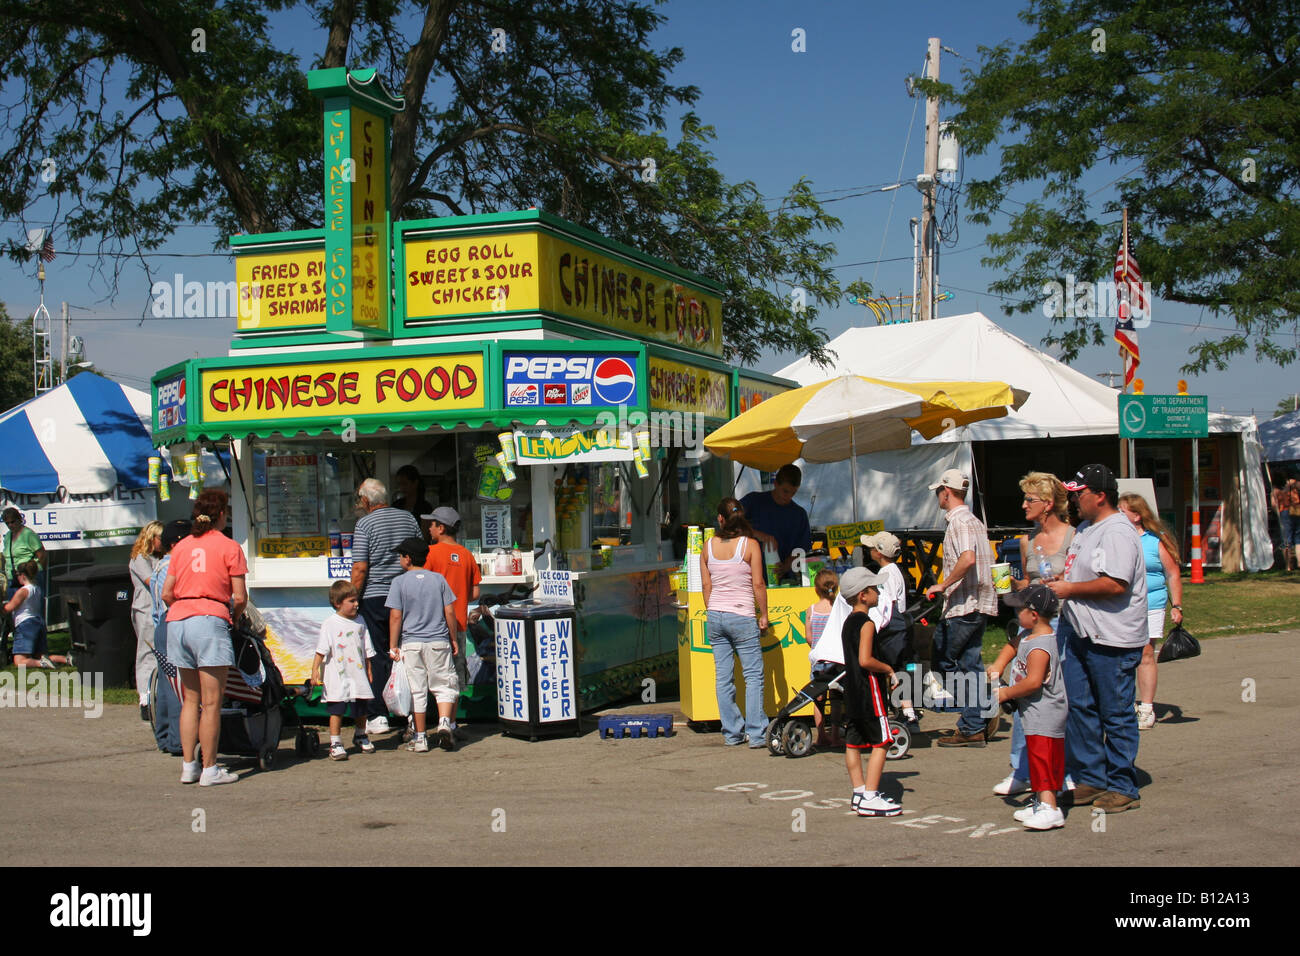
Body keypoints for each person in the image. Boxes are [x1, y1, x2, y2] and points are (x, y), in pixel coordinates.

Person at [1047, 464, 1147, 814]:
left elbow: (1115, 583)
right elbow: (1084, 572)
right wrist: (1063, 579)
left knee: (1115, 713)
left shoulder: (1118, 531)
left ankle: (1122, 785)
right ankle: (1091, 777)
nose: (1074, 500)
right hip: (1080, 632)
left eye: (1080, 493)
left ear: (1100, 495)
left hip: (1112, 638)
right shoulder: (1087, 529)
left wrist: (1070, 588)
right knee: (1079, 708)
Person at [162, 489, 247, 787]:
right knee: (212, 702)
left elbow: (166, 593)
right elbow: (239, 597)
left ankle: (189, 765)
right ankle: (210, 768)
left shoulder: (182, 546)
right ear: (221, 514)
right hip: (209, 618)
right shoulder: (229, 546)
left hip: (178, 620)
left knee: (190, 699)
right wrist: (232, 618)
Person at [997, 472, 1074, 795]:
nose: (1024, 504)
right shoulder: (1029, 538)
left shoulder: (1073, 536)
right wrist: (1015, 587)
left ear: (1049, 504)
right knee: (1024, 696)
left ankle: (1062, 770)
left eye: (1030, 499)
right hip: (1031, 624)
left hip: (1062, 624)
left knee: (1056, 701)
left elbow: (1077, 582)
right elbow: (1031, 584)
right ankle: (1021, 768)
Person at [924, 469, 998, 747]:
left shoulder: (960, 522)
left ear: (946, 492)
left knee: (943, 662)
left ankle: (976, 715)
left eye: (938, 492)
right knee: (970, 664)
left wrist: (943, 585)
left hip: (963, 604)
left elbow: (967, 559)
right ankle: (974, 722)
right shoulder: (976, 522)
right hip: (978, 602)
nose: (937, 497)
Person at [988, 583, 1068, 831]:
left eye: (1019, 609)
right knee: (1035, 757)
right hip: (1034, 712)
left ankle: (1050, 808)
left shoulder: (1041, 646)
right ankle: (1041, 802)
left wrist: (1006, 693)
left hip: (1046, 712)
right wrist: (999, 665)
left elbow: (1033, 682)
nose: (1016, 613)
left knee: (1043, 759)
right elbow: (1012, 646)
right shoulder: (1027, 635)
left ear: (1033, 615)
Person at [350, 478, 421, 734]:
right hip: (408, 593)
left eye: (360, 499)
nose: (359, 504)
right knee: (408, 652)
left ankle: (379, 714)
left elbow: (360, 568)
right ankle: (412, 713)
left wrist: (353, 598)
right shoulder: (409, 519)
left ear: (367, 500)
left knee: (379, 656)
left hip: (376, 597)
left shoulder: (365, 524)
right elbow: (421, 553)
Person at [699, 496, 769, 748]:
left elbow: (706, 585)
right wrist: (764, 614)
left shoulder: (707, 546)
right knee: (752, 676)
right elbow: (758, 584)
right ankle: (757, 733)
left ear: (720, 518)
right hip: (742, 614)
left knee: (723, 677)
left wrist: (713, 609)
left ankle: (731, 732)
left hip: (716, 614)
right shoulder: (750, 545)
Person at [838, 566, 902, 817]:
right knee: (882, 741)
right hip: (869, 690)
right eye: (874, 588)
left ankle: (859, 791)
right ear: (863, 595)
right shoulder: (866, 623)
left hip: (852, 691)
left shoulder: (847, 623)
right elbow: (866, 659)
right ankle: (871, 796)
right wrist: (887, 669)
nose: (878, 592)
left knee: (853, 743)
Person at [387, 537, 460, 752]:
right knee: (444, 686)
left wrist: (393, 645)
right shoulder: (438, 580)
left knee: (417, 691)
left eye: (401, 555)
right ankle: (445, 723)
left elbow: (395, 616)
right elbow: (449, 611)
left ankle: (420, 739)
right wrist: (453, 637)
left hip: (411, 643)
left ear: (408, 558)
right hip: (438, 640)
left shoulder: (399, 582)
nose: (399, 559)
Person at [1118, 493, 1183, 731]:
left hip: (1150, 605)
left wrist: (1177, 605)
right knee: (1122, 656)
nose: (1118, 515)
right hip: (1121, 607)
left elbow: (1172, 573)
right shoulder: (1116, 539)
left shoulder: (1155, 541)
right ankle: (1123, 705)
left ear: (1136, 515)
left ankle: (1146, 708)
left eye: (1122, 511)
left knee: (1145, 654)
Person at [422, 506, 480, 731]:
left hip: (433, 626)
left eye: (432, 524)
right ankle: (451, 723)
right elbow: (474, 593)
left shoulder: (430, 553)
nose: (429, 528)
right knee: (454, 676)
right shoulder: (466, 554)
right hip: (458, 624)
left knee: (430, 675)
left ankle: (425, 724)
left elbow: (423, 585)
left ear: (441, 527)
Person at [311, 580, 377, 760]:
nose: (356, 604)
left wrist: (369, 669)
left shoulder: (360, 621)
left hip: (358, 673)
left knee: (361, 707)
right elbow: (321, 650)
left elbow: (366, 648)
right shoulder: (330, 623)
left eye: (356, 601)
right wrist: (315, 671)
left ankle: (361, 734)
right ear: (338, 603)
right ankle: (336, 742)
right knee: (337, 709)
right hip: (338, 675)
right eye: (351, 601)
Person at [862, 531, 920, 732]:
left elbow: (885, 605)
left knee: (890, 669)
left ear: (878, 552)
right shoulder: (897, 571)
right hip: (902, 626)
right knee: (900, 669)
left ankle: (892, 713)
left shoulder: (883, 576)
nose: (868, 550)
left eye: (871, 548)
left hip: (891, 629)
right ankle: (909, 712)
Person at [739, 464, 811, 582]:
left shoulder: (799, 514)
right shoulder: (753, 501)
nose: (788, 496)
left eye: (793, 493)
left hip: (783, 580)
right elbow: (729, 518)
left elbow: (802, 548)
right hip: (748, 578)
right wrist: (757, 534)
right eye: (785, 491)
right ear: (776, 483)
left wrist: (787, 565)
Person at [129, 520, 164, 721]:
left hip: (160, 608)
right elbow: (153, 582)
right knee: (147, 653)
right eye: (161, 538)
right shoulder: (140, 559)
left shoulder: (160, 558)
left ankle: (159, 695)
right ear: (152, 538)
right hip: (146, 609)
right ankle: (145, 697)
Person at [6, 561, 66, 668]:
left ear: (22, 575)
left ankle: (42, 664)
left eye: (18, 575)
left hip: (26, 624)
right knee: (39, 655)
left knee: (19, 661)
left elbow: (9, 607)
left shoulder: (23, 591)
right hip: (38, 622)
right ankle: (66, 659)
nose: (17, 578)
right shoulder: (37, 588)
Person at [805, 568, 838, 747]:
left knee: (818, 699)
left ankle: (820, 735)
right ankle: (834, 734)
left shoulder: (811, 611)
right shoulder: (838, 610)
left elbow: (809, 638)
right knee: (836, 698)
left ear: (816, 589)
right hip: (835, 661)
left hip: (818, 662)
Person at [2, 508, 46, 591]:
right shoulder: (8, 536)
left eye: (12, 522)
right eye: (7, 523)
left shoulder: (28, 534)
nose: (10, 525)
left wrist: (33, 572)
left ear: (19, 519)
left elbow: (42, 555)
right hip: (13, 577)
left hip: (30, 577)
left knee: (31, 603)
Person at [1273, 474, 1299, 571]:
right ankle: (1299, 562)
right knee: (1298, 540)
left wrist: (1277, 512)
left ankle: (1288, 565)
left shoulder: (1275, 491)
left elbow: (1273, 505)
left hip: (1284, 513)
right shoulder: (1293, 486)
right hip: (1296, 511)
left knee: (1286, 540)